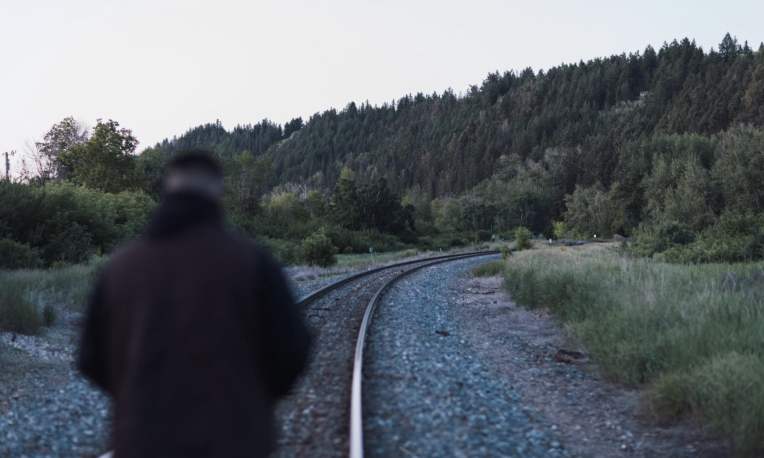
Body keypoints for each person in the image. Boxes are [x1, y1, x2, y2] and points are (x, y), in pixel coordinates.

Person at [78, 148, 311, 458]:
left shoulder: (121, 267)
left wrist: (135, 392)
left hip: (144, 441)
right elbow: (294, 348)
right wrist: (254, 396)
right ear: (217, 195)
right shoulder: (251, 261)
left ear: (168, 193)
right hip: (235, 440)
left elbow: (90, 357)